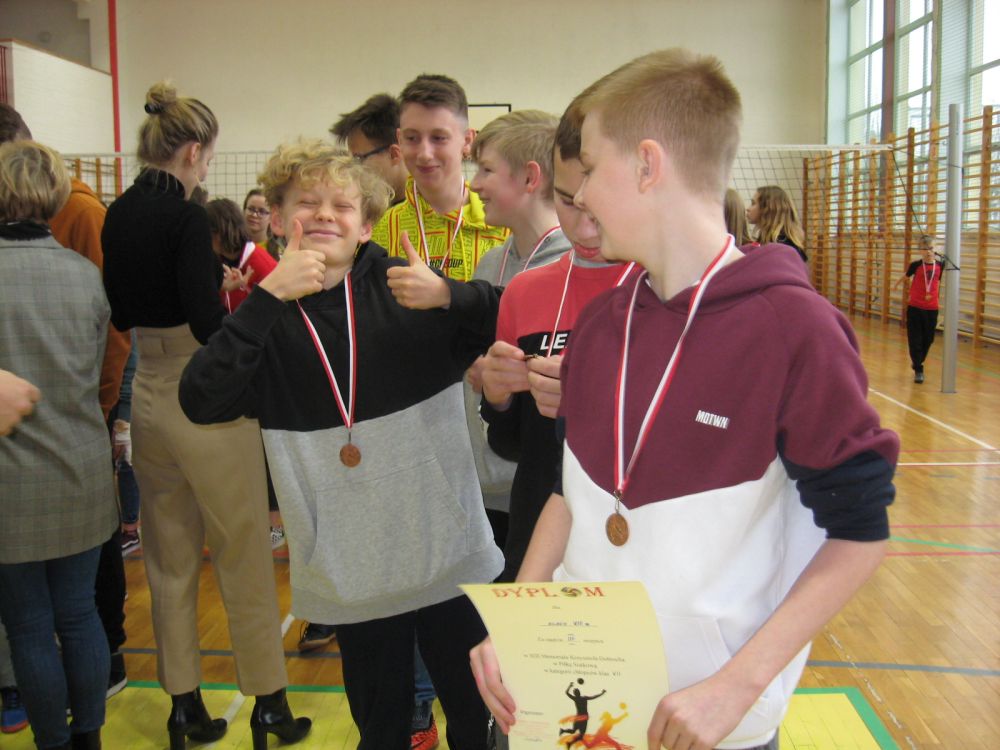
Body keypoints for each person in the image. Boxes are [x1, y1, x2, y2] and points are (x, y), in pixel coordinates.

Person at [470, 48, 899, 750]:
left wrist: (737, 685)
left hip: (710, 718)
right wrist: (517, 615)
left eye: (590, 172)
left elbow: (860, 534)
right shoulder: (602, 325)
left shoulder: (795, 329)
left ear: (647, 165)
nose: (580, 200)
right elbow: (569, 495)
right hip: (586, 705)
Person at [178, 140, 503, 750]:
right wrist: (266, 297)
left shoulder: (408, 289)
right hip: (351, 567)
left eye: (343, 205)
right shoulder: (266, 319)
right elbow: (200, 398)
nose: (326, 214)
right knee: (379, 728)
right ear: (278, 220)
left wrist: (452, 295)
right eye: (308, 203)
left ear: (367, 226)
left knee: (476, 719)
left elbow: (512, 319)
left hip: (445, 550)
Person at [101, 82, 310, 749]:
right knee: (243, 547)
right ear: (193, 151)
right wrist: (235, 304)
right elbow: (203, 321)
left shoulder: (117, 213)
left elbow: (123, 309)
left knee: (168, 557)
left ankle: (183, 705)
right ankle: (269, 704)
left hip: (149, 392)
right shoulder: (189, 218)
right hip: (205, 397)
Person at [477, 98, 638, 583]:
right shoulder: (525, 291)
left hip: (635, 535)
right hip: (538, 527)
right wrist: (498, 397)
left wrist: (587, 399)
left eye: (597, 204)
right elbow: (511, 444)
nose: (583, 225)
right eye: (568, 202)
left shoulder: (662, 287)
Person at [0, 138, 118, 750]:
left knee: (27, 625)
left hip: (10, 482)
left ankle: (51, 741)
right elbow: (100, 371)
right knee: (78, 613)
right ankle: (89, 736)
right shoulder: (86, 276)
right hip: (81, 466)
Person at [371, 74, 508, 280]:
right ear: (399, 139)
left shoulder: (503, 225)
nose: (425, 154)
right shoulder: (380, 229)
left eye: (439, 138)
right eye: (412, 138)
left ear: (467, 141)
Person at [331, 92, 409, 203]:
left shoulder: (429, 207)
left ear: (394, 154)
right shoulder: (368, 206)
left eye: (358, 159)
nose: (353, 170)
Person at [893, 234, 942, 384]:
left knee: (929, 339)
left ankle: (917, 362)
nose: (928, 252)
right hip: (915, 307)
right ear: (920, 250)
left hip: (932, 308)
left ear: (936, 249)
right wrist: (896, 285)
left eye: (931, 248)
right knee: (915, 339)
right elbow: (906, 276)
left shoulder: (941, 265)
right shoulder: (916, 265)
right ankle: (919, 369)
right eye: (925, 249)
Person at [746, 184, 807, 262]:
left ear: (767, 209)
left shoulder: (782, 247)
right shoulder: (768, 240)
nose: (748, 209)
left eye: (753, 203)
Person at [244, 189, 283, 260]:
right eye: (251, 209)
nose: (254, 215)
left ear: (271, 217)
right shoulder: (233, 248)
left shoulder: (279, 253)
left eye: (262, 211)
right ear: (244, 211)